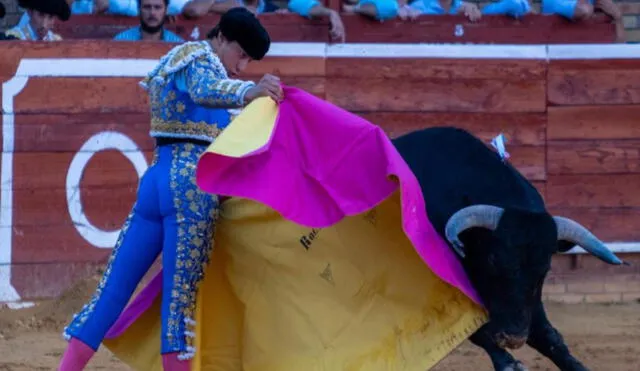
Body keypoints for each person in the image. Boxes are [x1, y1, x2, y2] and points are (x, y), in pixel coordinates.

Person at [58, 7, 283, 371]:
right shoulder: (198, 59)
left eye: (248, 61)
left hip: (157, 180)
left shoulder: (180, 59)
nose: (241, 66)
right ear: (221, 37)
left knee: (110, 293)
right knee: (179, 306)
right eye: (240, 54)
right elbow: (206, 89)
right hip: (192, 189)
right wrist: (250, 92)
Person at [113, 0, 184, 42]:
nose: (152, 13)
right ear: (138, 9)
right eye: (147, 7)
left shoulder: (177, 44)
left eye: (157, 7)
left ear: (166, 10)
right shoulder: (122, 40)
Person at [4, 0, 70, 41]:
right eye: (41, 15)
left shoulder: (56, 40)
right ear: (30, 12)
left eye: (50, 17)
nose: (44, 24)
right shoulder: (12, 37)